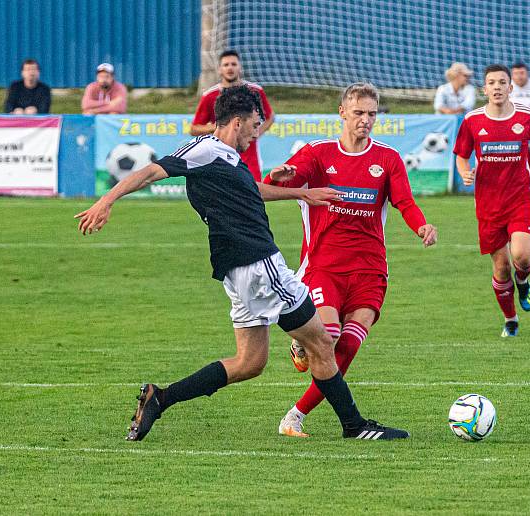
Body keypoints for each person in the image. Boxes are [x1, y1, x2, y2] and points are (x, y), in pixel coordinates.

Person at [75, 86, 408, 442]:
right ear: (237, 122)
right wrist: (106, 201)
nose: (256, 133)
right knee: (323, 344)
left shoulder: (226, 156)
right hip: (259, 263)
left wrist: (301, 193)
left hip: (237, 270)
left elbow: (253, 189)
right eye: (254, 125)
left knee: (250, 363)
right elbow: (151, 172)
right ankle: (354, 426)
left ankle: (162, 398)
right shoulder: (204, 150)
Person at [263, 82, 438, 437]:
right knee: (327, 336)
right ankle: (303, 339)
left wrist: (421, 226)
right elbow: (280, 183)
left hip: (370, 271)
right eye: (359, 113)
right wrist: (277, 177)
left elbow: (404, 201)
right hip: (324, 267)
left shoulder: (387, 159)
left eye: (372, 114)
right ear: (342, 112)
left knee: (347, 346)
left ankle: (294, 416)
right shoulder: (317, 153)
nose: (365, 120)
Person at [453, 64, 530, 337]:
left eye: (502, 82)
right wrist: (464, 172)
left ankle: (524, 281)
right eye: (491, 83)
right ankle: (511, 319)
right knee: (501, 266)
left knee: (521, 255)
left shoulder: (528, 117)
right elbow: (461, 155)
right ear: (484, 89)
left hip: (520, 197)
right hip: (488, 203)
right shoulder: (472, 121)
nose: (496, 87)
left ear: (511, 88)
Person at [190, 50, 274, 181]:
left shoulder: (255, 91)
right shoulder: (210, 96)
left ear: (240, 67)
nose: (230, 68)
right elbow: (194, 129)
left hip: (249, 157)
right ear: (219, 69)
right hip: (221, 156)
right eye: (226, 64)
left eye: (233, 64)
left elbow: (270, 117)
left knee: (254, 194)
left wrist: (255, 134)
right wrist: (221, 127)